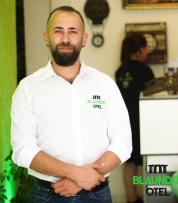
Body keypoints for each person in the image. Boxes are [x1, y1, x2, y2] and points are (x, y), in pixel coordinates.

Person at [10, 6, 132, 203]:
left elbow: (123, 142)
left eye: (73, 31)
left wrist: (82, 180)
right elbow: (23, 149)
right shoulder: (27, 88)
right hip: (46, 196)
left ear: (83, 39)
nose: (65, 39)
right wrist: (77, 174)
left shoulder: (105, 84)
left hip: (97, 195)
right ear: (46, 37)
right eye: (58, 31)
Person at [115, 35, 155, 203]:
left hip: (123, 124)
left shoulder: (120, 71)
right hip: (143, 124)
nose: (146, 52)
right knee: (146, 162)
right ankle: (147, 198)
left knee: (130, 163)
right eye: (145, 48)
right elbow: (154, 97)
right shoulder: (145, 70)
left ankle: (131, 199)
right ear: (139, 50)